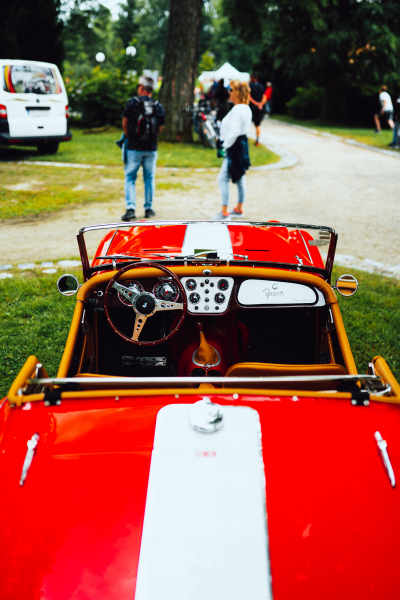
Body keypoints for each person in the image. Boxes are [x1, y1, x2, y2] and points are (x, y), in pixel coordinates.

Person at [121, 75, 165, 221]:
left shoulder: (132, 103)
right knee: (149, 178)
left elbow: (125, 124)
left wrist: (130, 137)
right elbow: (159, 128)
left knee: (130, 177)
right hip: (151, 148)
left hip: (134, 147)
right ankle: (148, 209)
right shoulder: (158, 106)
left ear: (141, 87)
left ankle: (130, 209)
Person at [217, 80, 252, 219]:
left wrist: (224, 146)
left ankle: (224, 212)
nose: (229, 92)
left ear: (237, 92)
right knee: (240, 177)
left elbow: (234, 131)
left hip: (234, 147)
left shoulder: (238, 109)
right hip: (240, 146)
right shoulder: (246, 108)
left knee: (222, 179)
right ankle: (238, 209)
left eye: (231, 90)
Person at [248, 74, 264, 146]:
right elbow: (264, 96)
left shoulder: (250, 85)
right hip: (259, 108)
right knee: (258, 125)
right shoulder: (261, 86)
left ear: (252, 78)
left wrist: (256, 103)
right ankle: (257, 140)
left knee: (248, 124)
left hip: (251, 107)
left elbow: (249, 97)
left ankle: (246, 138)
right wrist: (261, 104)